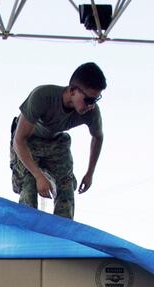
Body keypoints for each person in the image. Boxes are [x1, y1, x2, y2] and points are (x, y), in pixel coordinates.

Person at [10, 62, 106, 220]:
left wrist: (90, 173)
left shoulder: (91, 112)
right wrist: (39, 176)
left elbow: (98, 137)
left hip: (56, 142)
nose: (91, 106)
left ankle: (63, 235)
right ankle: (28, 231)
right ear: (73, 90)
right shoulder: (43, 96)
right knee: (30, 184)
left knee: (66, 187)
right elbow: (19, 140)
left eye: (95, 100)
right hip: (29, 141)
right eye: (88, 100)